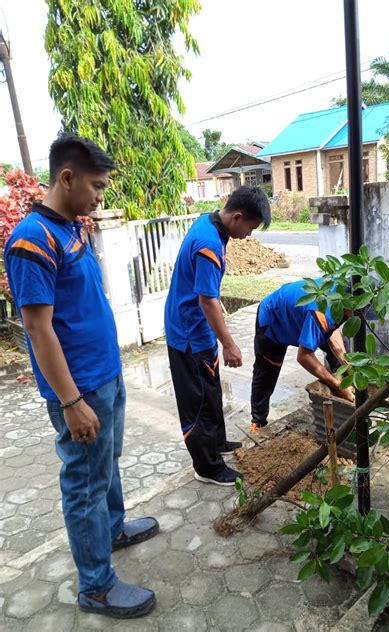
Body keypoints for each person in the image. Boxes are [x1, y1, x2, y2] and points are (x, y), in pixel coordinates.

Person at [4, 134, 158, 619]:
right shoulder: (32, 239)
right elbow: (36, 325)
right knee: (84, 482)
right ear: (66, 177)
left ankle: (111, 530)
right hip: (80, 388)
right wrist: (71, 402)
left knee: (105, 464)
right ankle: (95, 586)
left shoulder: (71, 228)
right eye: (96, 185)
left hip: (104, 374)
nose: (100, 195)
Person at [165, 186, 271, 486]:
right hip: (188, 334)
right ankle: (207, 467)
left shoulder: (208, 222)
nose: (249, 235)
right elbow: (208, 300)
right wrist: (229, 344)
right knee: (197, 401)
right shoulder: (209, 243)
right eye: (250, 227)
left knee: (211, 393)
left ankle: (217, 444)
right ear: (237, 216)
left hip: (197, 331)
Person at [250, 278, 355, 432]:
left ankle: (342, 406)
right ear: (350, 304)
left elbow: (332, 331)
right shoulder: (321, 311)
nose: (361, 315)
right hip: (274, 319)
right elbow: (304, 356)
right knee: (267, 373)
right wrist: (337, 385)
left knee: (338, 360)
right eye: (360, 311)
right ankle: (257, 423)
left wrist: (347, 366)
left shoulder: (341, 293)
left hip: (300, 316)